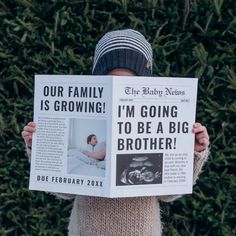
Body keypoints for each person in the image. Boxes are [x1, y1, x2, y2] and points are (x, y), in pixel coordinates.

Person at [22, 29, 210, 236]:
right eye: (112, 80)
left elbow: (168, 194)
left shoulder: (158, 124)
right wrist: (38, 148)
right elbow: (65, 192)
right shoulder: (95, 144)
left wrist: (192, 154)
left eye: (130, 82)